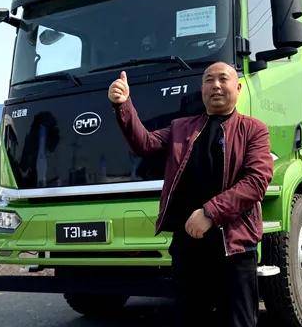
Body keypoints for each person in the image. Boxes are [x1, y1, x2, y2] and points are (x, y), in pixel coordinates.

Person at [108, 61, 273, 327]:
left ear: (238, 88)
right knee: (190, 318)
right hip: (188, 246)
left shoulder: (254, 129)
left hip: (234, 246)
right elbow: (145, 144)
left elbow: (256, 181)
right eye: (209, 80)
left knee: (238, 321)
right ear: (202, 88)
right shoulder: (181, 127)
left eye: (223, 79)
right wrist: (123, 105)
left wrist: (210, 213)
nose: (215, 85)